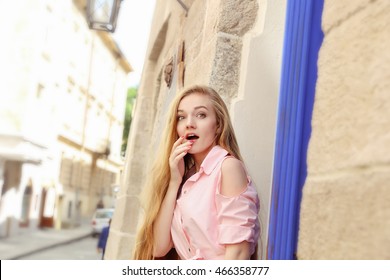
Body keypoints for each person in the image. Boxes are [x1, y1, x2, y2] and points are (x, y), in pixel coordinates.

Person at [133, 85, 260, 260]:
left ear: (218, 125)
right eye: (181, 117)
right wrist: (173, 183)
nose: (189, 124)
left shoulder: (228, 168)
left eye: (201, 115)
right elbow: (158, 248)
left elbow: (238, 254)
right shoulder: (186, 179)